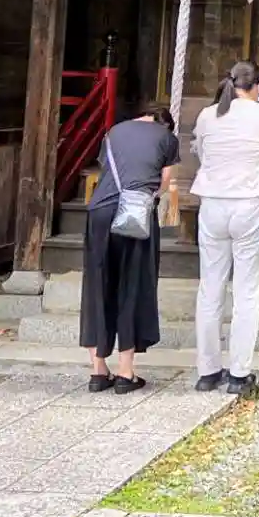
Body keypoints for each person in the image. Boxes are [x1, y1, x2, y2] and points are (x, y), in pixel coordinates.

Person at [191, 59, 259, 395]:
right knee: (246, 290)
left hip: (213, 203)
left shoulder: (208, 115)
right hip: (250, 203)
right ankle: (238, 372)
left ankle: (207, 371)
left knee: (210, 287)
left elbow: (201, 152)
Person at [80, 100, 178, 393]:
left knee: (97, 285)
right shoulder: (167, 137)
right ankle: (125, 373)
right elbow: (164, 181)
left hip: (100, 212)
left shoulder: (114, 132)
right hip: (134, 214)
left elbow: (108, 170)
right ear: (164, 123)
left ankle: (98, 371)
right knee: (131, 285)